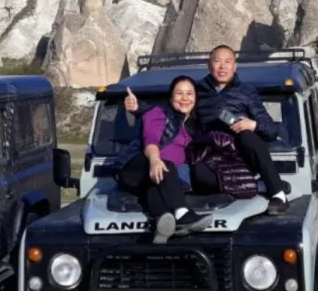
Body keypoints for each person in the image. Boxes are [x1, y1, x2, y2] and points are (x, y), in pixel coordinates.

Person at [124, 46, 290, 215]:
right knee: (197, 172)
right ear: (209, 65)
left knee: (248, 137)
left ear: (235, 66)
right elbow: (172, 108)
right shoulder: (198, 90)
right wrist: (138, 109)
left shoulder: (247, 93)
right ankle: (256, 186)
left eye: (228, 62)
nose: (222, 67)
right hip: (210, 152)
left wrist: (252, 125)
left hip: (239, 153)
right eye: (217, 61)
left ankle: (277, 193)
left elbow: (272, 131)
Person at [117, 76, 214, 243]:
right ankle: (183, 213)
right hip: (134, 167)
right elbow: (151, 140)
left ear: (196, 98)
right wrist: (155, 159)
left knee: (156, 184)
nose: (185, 98)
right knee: (164, 166)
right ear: (170, 97)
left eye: (190, 93)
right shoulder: (158, 113)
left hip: (156, 177)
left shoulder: (194, 126)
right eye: (179, 93)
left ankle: (162, 225)